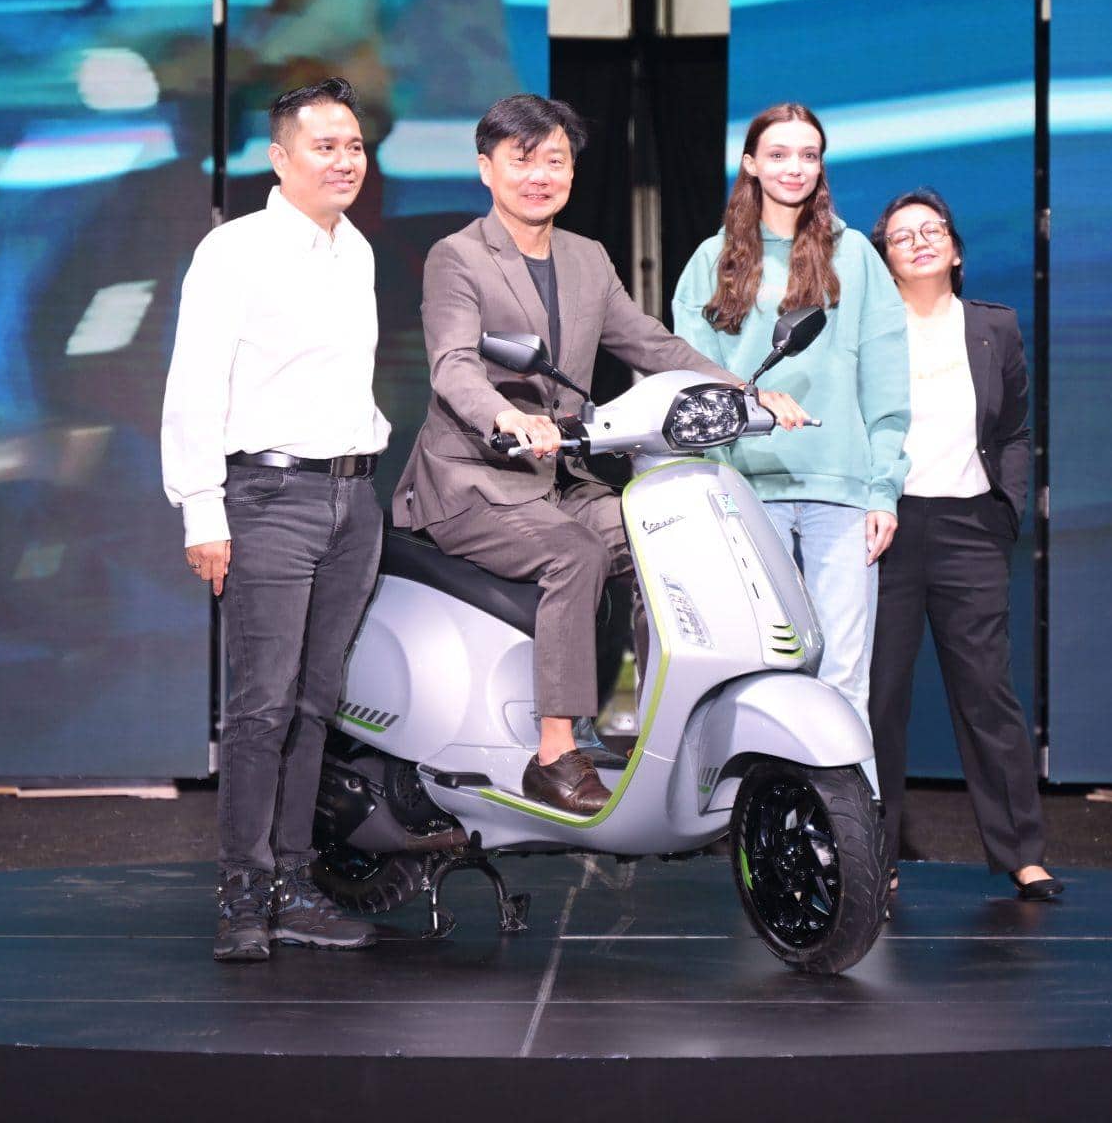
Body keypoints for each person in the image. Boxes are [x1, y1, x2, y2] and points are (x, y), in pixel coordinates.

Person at [392, 94, 805, 816]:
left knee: (667, 540)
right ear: (487, 169)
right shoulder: (457, 257)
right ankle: (555, 754)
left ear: (573, 171)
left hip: (559, 478)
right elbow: (453, 363)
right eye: (522, 160)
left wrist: (746, 392)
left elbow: (650, 343)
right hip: (475, 481)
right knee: (575, 555)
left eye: (555, 160)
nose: (540, 176)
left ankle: (659, 729)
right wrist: (507, 416)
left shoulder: (586, 257)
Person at [160, 78, 389, 962]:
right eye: (326, 146)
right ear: (279, 157)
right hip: (267, 497)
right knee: (261, 706)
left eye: (355, 145)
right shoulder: (236, 250)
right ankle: (243, 896)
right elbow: (194, 383)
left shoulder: (355, 250)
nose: (345, 160)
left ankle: (295, 884)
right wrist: (201, 509)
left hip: (352, 498)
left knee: (315, 704)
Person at [670, 103, 909, 731]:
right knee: (756, 673)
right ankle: (758, 797)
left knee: (844, 679)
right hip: (745, 493)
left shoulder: (855, 256)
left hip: (843, 493)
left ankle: (847, 800)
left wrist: (883, 489)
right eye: (778, 154)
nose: (794, 167)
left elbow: (885, 380)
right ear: (750, 163)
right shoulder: (712, 260)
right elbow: (693, 376)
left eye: (808, 155)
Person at [864, 188, 1058, 902]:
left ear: (955, 248)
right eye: (901, 235)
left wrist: (1006, 508)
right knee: (878, 699)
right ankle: (872, 855)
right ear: (884, 258)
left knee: (988, 695)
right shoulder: (868, 332)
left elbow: (1014, 430)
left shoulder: (994, 326)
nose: (919, 241)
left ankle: (1022, 853)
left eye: (932, 229)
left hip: (970, 528)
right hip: (885, 528)